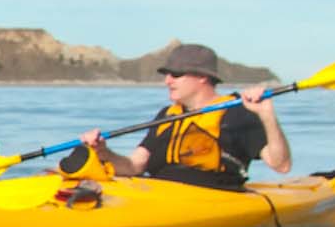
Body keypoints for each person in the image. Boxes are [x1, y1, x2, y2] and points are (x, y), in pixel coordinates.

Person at [76, 43, 291, 188]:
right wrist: (104, 153)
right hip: (159, 194)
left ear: (202, 77)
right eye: (167, 75)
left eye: (176, 75)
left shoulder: (237, 112)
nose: (167, 81)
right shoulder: (167, 115)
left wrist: (267, 115)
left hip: (211, 201)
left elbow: (281, 165)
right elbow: (133, 166)